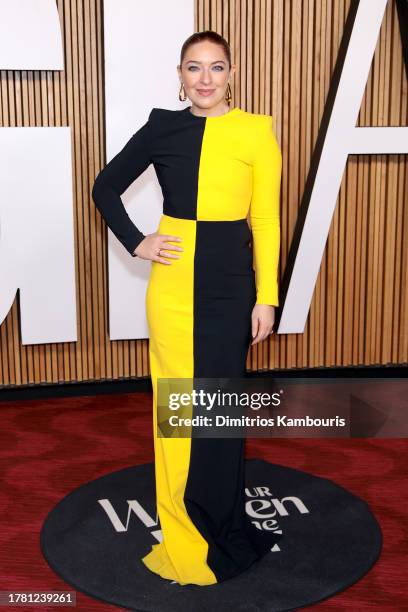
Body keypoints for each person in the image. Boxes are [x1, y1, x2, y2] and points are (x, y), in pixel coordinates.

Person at [92, 30, 282, 586]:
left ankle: (217, 523)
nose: (205, 79)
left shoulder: (255, 130)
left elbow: (265, 222)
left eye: (216, 67)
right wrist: (136, 240)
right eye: (194, 68)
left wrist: (266, 296)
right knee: (177, 406)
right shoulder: (162, 127)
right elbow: (105, 187)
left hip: (229, 285)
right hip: (173, 286)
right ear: (179, 74)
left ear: (231, 74)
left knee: (218, 407)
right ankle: (178, 528)